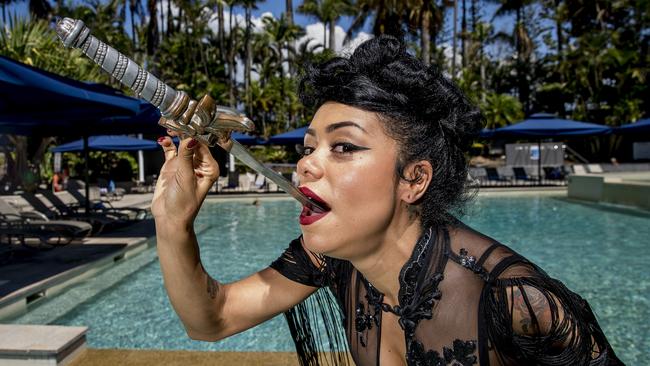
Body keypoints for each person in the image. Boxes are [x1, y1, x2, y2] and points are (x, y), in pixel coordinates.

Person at [152, 36, 622, 365]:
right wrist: (172, 220)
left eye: (344, 146)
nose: (306, 165)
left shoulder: (515, 302)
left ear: (413, 179)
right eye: (308, 147)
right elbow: (211, 320)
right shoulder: (332, 258)